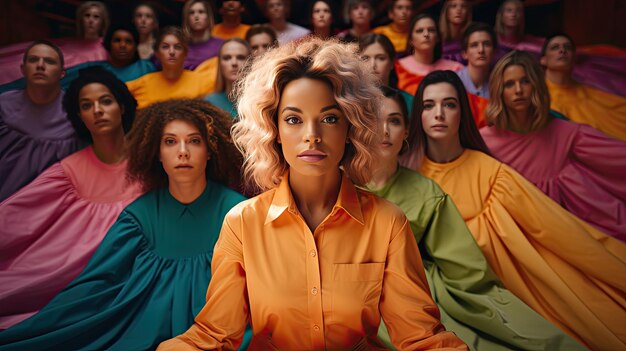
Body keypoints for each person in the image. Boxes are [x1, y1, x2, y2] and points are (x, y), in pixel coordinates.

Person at [157, 38, 468, 350]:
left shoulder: (388, 223)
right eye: (293, 119)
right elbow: (214, 336)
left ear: (351, 128)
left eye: (330, 118)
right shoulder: (242, 223)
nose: (312, 136)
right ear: (273, 130)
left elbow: (422, 337)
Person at [0, 99, 249, 350]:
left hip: (221, 334)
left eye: (194, 141)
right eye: (170, 141)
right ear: (157, 153)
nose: (182, 151)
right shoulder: (139, 216)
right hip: (140, 332)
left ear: (210, 150)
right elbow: (97, 284)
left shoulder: (238, 212)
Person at [406, 69, 626, 351]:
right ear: (418, 115)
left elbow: (551, 227)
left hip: (500, 289)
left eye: (449, 104)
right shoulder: (406, 173)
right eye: (428, 105)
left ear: (462, 113)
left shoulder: (491, 172)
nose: (439, 113)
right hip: (432, 300)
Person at [368, 85, 587, 351]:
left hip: (409, 295)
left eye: (394, 120)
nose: (385, 130)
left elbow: (466, 272)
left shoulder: (427, 193)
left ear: (406, 133)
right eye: (374, 120)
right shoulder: (334, 184)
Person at [0, 67, 143, 330]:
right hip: (73, 275)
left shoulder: (150, 161)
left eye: (106, 101)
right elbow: (13, 217)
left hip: (138, 276)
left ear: (122, 106)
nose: (97, 110)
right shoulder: (68, 171)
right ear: (80, 116)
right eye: (87, 105)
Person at [481, 50, 626, 242]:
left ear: (536, 85)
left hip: (566, 232)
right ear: (499, 90)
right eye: (509, 84)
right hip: (515, 237)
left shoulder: (566, 133)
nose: (518, 90)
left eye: (525, 81)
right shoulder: (483, 142)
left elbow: (617, 156)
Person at [494, 0, 626, 98]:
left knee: (593, 59)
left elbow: (551, 45)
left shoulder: (530, 40)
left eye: (518, 11)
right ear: (501, 15)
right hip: (545, 76)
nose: (514, 14)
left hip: (559, 66)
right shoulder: (495, 43)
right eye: (509, 10)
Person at [0, 40, 80, 202]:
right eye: (33, 60)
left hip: (45, 206)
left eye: (49, 61)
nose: (40, 65)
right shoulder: (3, 104)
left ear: (62, 73)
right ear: (23, 69)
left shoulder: (76, 114)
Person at [540, 33, 626, 141]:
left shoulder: (593, 93)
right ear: (543, 60)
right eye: (555, 48)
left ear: (574, 57)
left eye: (567, 47)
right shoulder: (537, 94)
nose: (562, 50)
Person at [126, 26, 215, 109]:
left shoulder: (202, 82)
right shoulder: (143, 84)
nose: (171, 52)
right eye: (165, 47)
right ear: (157, 53)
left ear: (185, 53)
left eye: (177, 47)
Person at [395, 13, 463, 96]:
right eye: (419, 31)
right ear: (411, 40)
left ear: (437, 38)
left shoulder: (456, 69)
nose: (426, 34)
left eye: (431, 30)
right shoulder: (398, 68)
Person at [455, 22, 497, 127]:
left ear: (494, 51)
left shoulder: (501, 84)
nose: (481, 50)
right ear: (464, 53)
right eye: (474, 45)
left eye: (486, 44)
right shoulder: (453, 82)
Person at [358, 33, 413, 112]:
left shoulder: (408, 102)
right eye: (365, 58)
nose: (372, 65)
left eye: (381, 58)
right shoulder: (348, 101)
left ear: (392, 63)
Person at [205, 38, 251, 118]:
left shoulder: (260, 100)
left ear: (249, 62)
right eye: (227, 58)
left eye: (240, 57)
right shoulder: (210, 102)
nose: (234, 63)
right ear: (220, 64)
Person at [181, 0, 224, 69]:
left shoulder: (221, 46)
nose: (196, 17)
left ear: (208, 16)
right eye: (191, 13)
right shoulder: (180, 47)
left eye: (201, 12)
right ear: (187, 18)